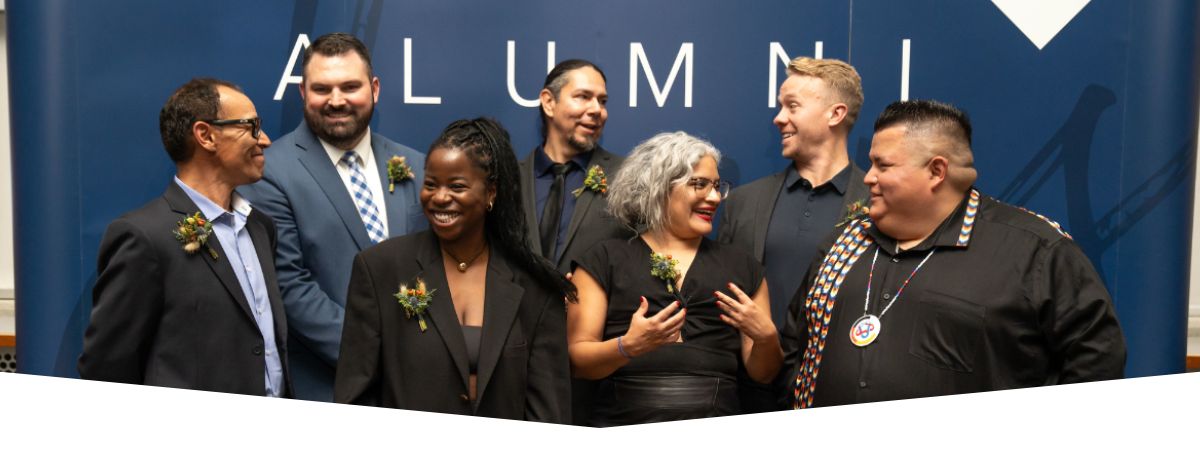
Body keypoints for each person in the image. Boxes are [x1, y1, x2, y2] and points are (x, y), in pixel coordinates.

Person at [783, 100, 1126, 409]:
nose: (869, 177)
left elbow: (1096, 364)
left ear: (936, 171)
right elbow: (796, 349)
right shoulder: (843, 243)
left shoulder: (1035, 251)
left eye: (882, 166)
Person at [334, 118, 573, 422]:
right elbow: (354, 399)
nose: (440, 197)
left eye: (457, 186)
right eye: (431, 184)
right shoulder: (380, 269)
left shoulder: (535, 284)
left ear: (491, 193)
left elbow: (549, 413)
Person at [239, 32, 427, 402]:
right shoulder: (269, 172)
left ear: (374, 89)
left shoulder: (416, 165)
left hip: (420, 386)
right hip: (331, 386)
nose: (337, 100)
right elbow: (288, 286)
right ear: (302, 93)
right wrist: (380, 355)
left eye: (350, 87)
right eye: (322, 89)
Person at [79, 78, 287, 396]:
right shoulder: (144, 237)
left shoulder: (260, 227)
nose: (266, 140)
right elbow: (106, 369)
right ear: (206, 135)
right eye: (252, 127)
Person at [568, 131, 783, 426]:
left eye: (717, 186)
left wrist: (767, 338)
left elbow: (764, 374)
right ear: (659, 187)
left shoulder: (743, 267)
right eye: (700, 184)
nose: (715, 197)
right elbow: (578, 361)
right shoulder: (603, 260)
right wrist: (626, 346)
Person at [519, 59, 632, 424]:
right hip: (515, 370)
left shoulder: (629, 180)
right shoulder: (507, 180)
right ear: (548, 102)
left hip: (596, 380)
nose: (597, 110)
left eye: (603, 101)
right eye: (583, 96)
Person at [719, 57, 870, 331]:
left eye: (792, 106)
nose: (778, 118)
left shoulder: (877, 202)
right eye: (781, 107)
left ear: (835, 114)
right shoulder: (743, 202)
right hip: (750, 358)